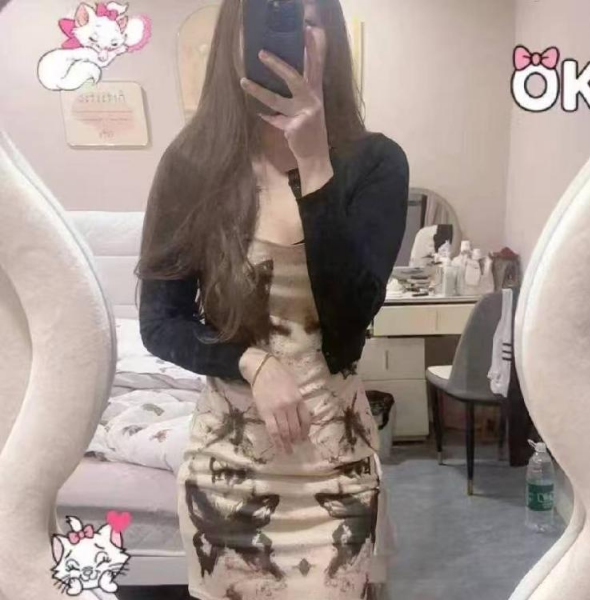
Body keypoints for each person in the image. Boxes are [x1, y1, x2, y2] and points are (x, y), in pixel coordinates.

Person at [135, 0, 409, 598]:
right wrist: (251, 361)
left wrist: (314, 162)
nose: (295, 35)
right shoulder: (192, 165)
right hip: (226, 475)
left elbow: (352, 316)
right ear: (234, 41)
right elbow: (160, 322)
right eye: (271, 20)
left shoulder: (376, 162)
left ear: (332, 41)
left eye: (310, 21)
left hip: (336, 470)